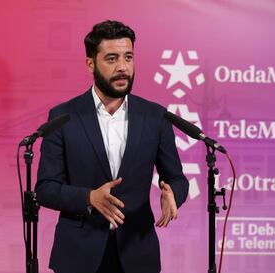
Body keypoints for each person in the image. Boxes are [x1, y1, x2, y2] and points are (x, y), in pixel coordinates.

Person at [35, 20, 189, 273]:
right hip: (78, 256)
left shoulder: (155, 116)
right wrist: (89, 197)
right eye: (111, 58)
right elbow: (45, 188)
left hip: (137, 253)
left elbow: (176, 178)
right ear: (90, 64)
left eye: (128, 57)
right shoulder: (64, 116)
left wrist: (174, 195)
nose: (122, 67)